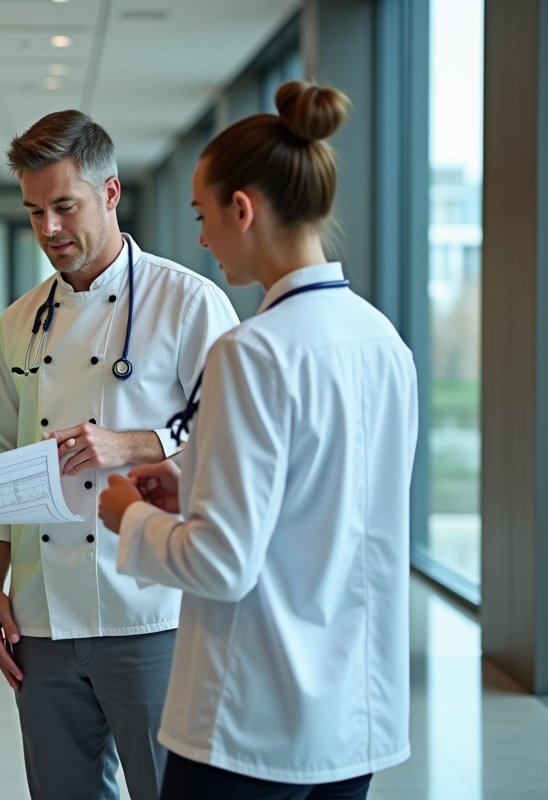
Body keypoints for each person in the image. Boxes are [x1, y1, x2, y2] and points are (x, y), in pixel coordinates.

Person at [98, 81, 418, 800]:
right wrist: (195, 488)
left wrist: (132, 517)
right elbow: (335, 509)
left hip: (249, 723)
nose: (204, 238)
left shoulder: (253, 351)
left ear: (242, 209)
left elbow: (221, 564)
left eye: (203, 216)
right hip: (352, 716)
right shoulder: (384, 342)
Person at [0, 110, 239, 800]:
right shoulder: (18, 322)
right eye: (35, 213)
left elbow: (236, 431)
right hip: (42, 612)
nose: (50, 230)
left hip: (153, 608)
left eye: (65, 206)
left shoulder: (188, 302)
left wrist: (134, 443)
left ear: (111, 192)